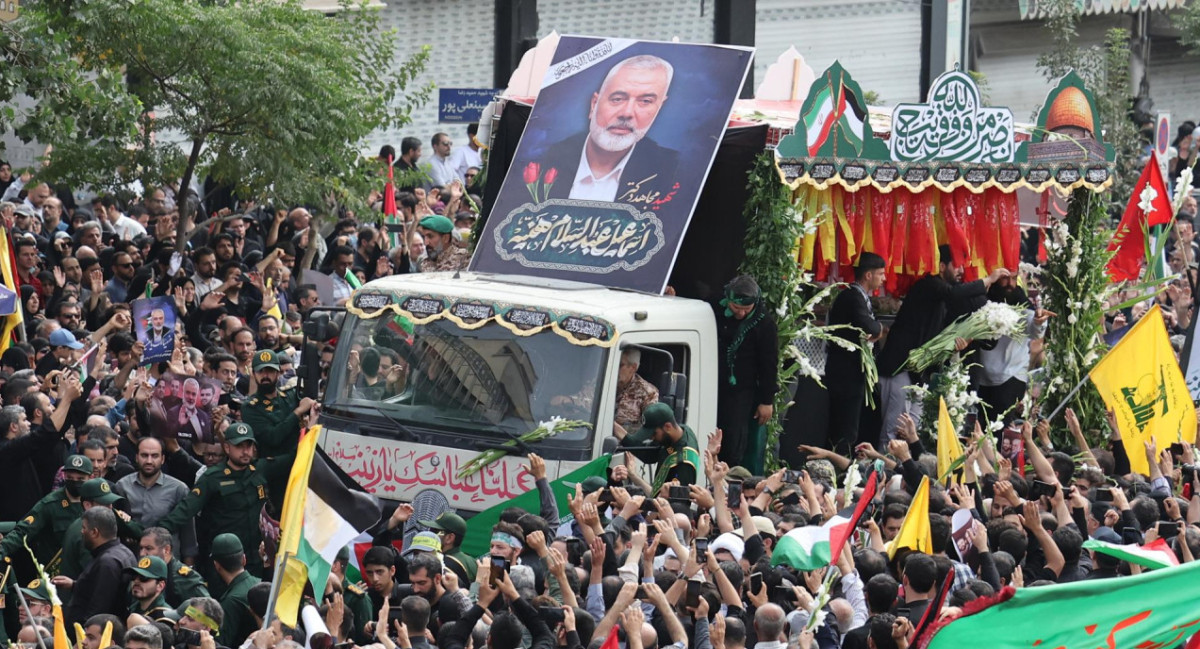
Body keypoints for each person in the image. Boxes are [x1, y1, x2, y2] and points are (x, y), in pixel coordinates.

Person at [874, 246, 1010, 444]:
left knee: (913, 430)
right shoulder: (929, 285)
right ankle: (883, 471)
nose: (961, 271)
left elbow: (940, 333)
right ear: (941, 266)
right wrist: (988, 280)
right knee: (893, 430)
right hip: (899, 367)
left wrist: (955, 346)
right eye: (957, 266)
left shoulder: (943, 297)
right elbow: (954, 293)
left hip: (918, 372)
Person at [158, 423, 296, 580]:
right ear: (227, 448)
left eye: (249, 445)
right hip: (225, 563)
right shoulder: (212, 478)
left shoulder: (260, 469)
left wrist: (311, 428)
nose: (245, 451)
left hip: (256, 558)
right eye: (239, 446)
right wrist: (158, 532)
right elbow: (186, 509)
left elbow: (294, 457)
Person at [541, 54, 679, 203]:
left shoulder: (674, 171)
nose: (627, 113)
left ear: (659, 108)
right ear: (594, 104)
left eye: (645, 101)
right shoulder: (542, 159)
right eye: (617, 99)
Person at [713, 274, 778, 469]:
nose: (740, 313)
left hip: (742, 391)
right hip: (713, 383)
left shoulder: (764, 324)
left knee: (733, 439)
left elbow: (769, 364)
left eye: (746, 309)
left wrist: (767, 400)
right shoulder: (715, 308)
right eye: (735, 308)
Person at [825, 252, 886, 453]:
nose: (883, 278)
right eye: (880, 274)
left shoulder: (860, 297)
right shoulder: (852, 297)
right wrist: (877, 328)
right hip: (846, 374)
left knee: (849, 425)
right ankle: (840, 466)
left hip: (851, 374)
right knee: (844, 427)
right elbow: (870, 327)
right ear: (868, 275)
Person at [64, 507, 137, 627]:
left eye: (84, 528)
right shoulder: (125, 552)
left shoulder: (107, 563)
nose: (82, 532)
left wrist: (85, 636)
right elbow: (98, 586)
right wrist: (74, 585)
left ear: (94, 532)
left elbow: (99, 608)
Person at [623, 402, 701, 491]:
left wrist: (634, 475)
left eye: (654, 433)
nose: (651, 437)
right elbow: (648, 454)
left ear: (668, 426)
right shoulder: (680, 432)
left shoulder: (683, 464)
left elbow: (671, 503)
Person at [210, 533, 261, 648]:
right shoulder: (261, 582)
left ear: (217, 565)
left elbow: (221, 642)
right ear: (244, 559)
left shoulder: (231, 601)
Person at [138, 527, 210, 607]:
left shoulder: (184, 579)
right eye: (141, 548)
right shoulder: (139, 574)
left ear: (166, 549)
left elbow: (206, 610)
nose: (142, 554)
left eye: (148, 548)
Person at [419, 511, 476, 585]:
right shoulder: (472, 561)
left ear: (449, 538)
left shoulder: (443, 563)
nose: (430, 534)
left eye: (434, 531)